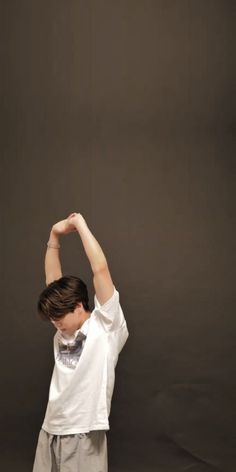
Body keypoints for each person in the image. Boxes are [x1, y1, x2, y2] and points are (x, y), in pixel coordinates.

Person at [32, 212, 129, 472]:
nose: (55, 323)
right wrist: (54, 235)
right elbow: (52, 284)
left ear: (78, 306)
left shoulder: (106, 325)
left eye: (59, 317)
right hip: (51, 427)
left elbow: (100, 269)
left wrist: (79, 224)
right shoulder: (63, 330)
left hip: (84, 431)